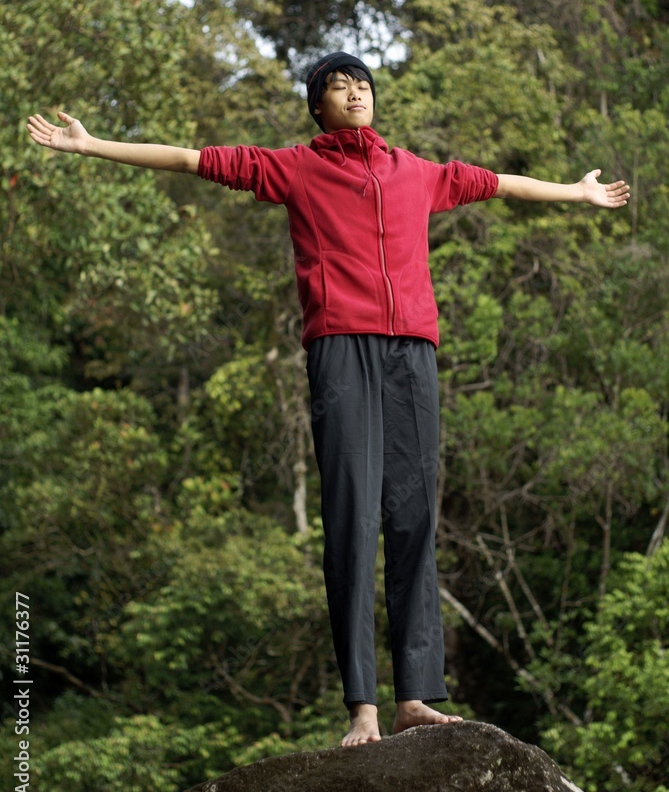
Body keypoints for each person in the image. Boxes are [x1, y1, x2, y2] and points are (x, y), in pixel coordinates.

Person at [27, 51, 630, 747]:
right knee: (351, 518)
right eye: (339, 87)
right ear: (318, 106)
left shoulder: (416, 172)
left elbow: (500, 184)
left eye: (362, 85)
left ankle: (414, 698)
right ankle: (362, 708)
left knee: (413, 519)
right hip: (342, 348)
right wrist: (91, 144)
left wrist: (576, 192)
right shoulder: (295, 168)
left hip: (413, 353)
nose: (355, 94)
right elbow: (190, 160)